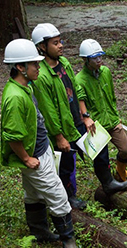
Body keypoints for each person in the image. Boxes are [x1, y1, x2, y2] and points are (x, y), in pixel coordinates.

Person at [0, 39, 78, 248]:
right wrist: (26, 159)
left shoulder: (25, 86)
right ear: (20, 68)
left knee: (33, 193)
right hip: (33, 155)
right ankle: (68, 239)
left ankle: (40, 231)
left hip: (41, 147)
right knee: (57, 194)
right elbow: (12, 136)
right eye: (34, 64)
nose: (38, 67)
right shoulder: (14, 98)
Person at [32, 23, 87, 210]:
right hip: (61, 129)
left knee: (72, 161)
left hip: (74, 121)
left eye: (60, 41)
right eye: (55, 43)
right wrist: (59, 136)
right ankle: (66, 198)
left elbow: (76, 89)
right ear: (42, 47)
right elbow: (47, 110)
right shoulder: (41, 75)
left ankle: (70, 193)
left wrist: (84, 114)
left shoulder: (64, 63)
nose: (61, 45)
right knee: (63, 165)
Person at [75, 39, 127, 192]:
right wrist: (87, 119)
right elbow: (81, 102)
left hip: (112, 120)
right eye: (95, 58)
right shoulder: (80, 80)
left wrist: (116, 116)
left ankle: (121, 171)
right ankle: (107, 184)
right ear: (86, 60)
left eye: (100, 56)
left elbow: (111, 97)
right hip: (96, 125)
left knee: (126, 149)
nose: (99, 60)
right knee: (101, 158)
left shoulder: (106, 72)